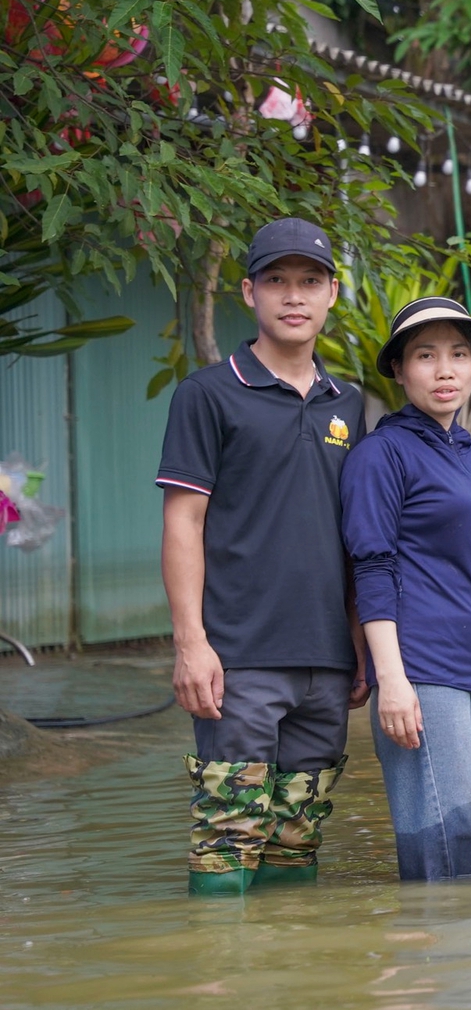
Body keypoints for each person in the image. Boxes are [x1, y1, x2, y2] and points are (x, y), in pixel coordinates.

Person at [156, 217, 367, 894]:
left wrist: (360, 645)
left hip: (328, 663)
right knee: (227, 838)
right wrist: (192, 644)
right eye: (277, 280)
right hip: (239, 661)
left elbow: (357, 538)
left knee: (296, 841)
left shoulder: (351, 405)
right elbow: (183, 523)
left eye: (310, 281)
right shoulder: (208, 395)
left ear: (333, 293)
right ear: (248, 291)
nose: (294, 296)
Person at [341, 298, 471, 881]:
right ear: (398, 369)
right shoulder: (381, 453)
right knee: (454, 844)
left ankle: (466, 971)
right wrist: (390, 679)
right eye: (426, 356)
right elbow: (370, 567)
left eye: (459, 354)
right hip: (424, 672)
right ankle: (452, 965)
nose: (445, 370)